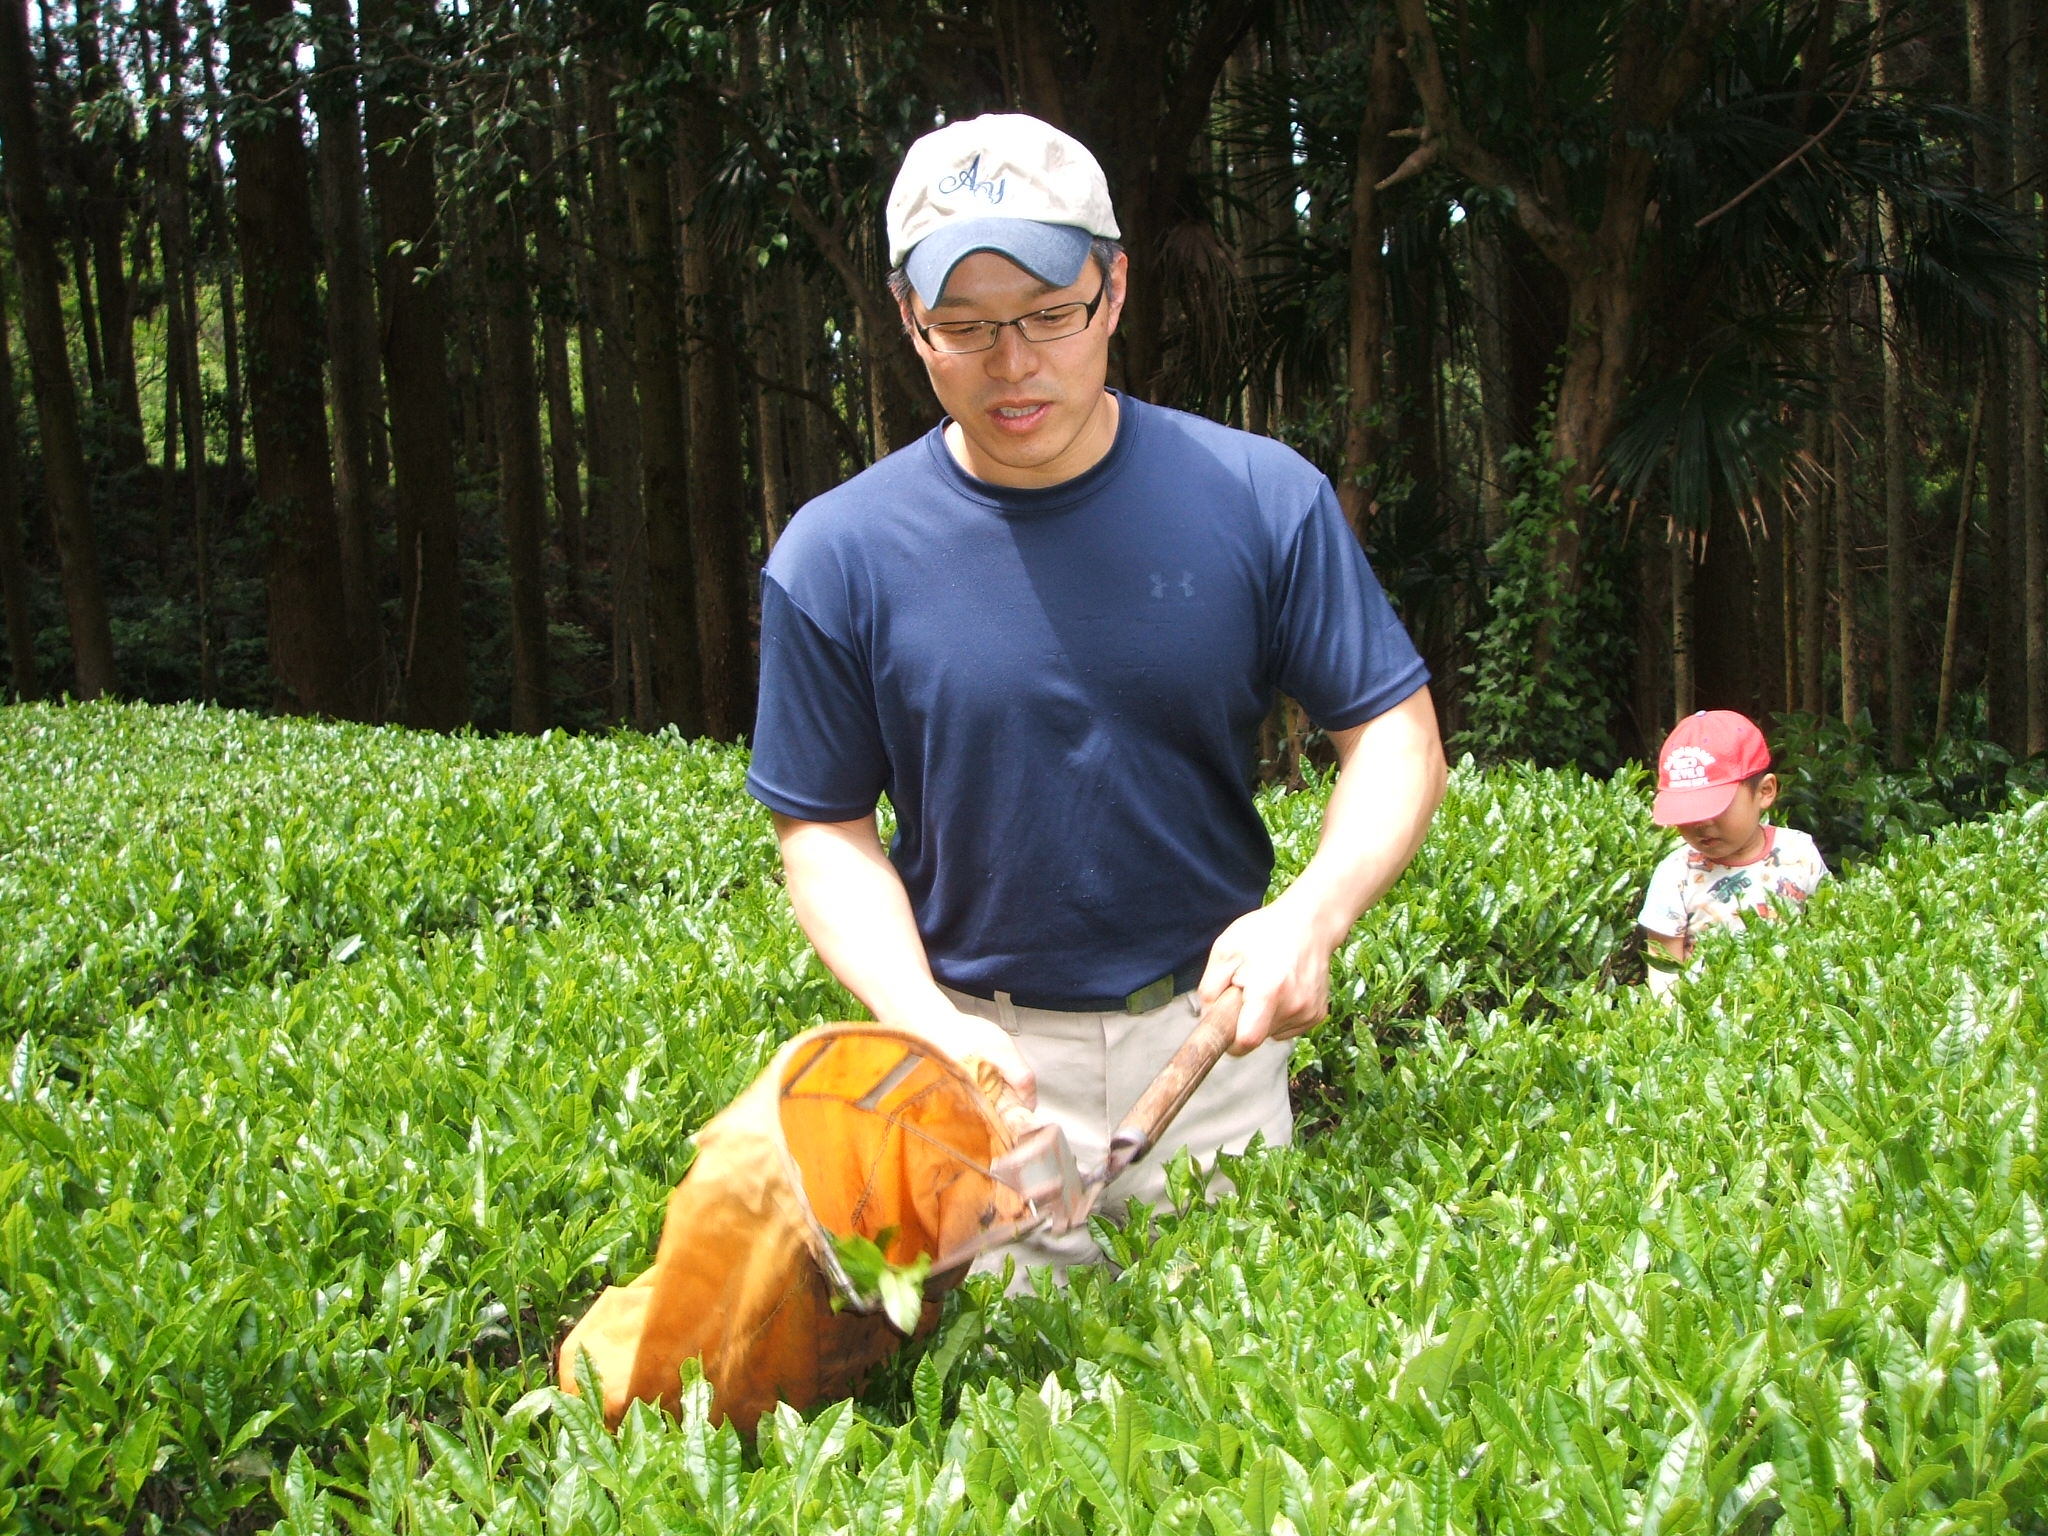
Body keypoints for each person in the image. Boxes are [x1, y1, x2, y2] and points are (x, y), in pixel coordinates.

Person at [745, 112, 1446, 1275]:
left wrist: (1308, 917)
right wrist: (923, 1020)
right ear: (907, 321)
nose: (1011, 364)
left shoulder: (1258, 500)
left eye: (1045, 316)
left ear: (1113, 291)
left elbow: (1393, 735)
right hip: (975, 1076)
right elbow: (819, 826)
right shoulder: (837, 556)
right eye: (962, 328)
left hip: (1212, 1048)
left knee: (1246, 1411)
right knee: (1007, 1435)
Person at [1637, 710, 1830, 997]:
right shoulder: (1675, 875)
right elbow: (1664, 972)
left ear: (1765, 792)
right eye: (1686, 811)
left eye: (1715, 807)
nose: (1700, 823)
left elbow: (1828, 932)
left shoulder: (1800, 853)